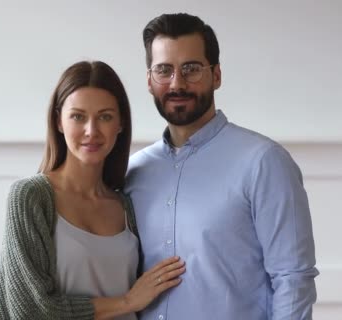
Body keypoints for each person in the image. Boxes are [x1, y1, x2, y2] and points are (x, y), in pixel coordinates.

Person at [125, 13, 319, 319]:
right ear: (149, 81)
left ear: (216, 75)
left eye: (191, 69)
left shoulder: (264, 162)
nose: (177, 83)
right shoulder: (133, 172)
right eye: (164, 70)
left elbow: (293, 279)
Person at [0, 60, 185, 320]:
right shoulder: (30, 197)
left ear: (120, 124)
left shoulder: (125, 204)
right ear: (59, 121)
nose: (91, 131)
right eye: (78, 116)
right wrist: (127, 301)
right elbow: (30, 311)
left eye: (105, 117)